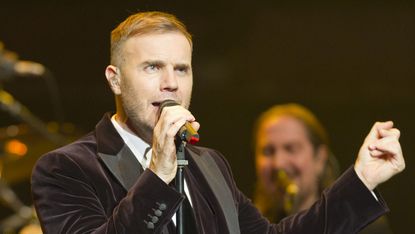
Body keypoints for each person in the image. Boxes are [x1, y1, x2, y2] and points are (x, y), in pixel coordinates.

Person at [31, 11, 405, 233]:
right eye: (152, 67)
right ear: (114, 78)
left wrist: (361, 181)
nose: (171, 83)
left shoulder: (209, 165)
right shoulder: (66, 168)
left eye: (181, 68)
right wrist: (158, 175)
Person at [253, 103, 393, 233]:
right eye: (268, 151)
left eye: (291, 149)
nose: (278, 164)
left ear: (319, 158)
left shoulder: (363, 226)